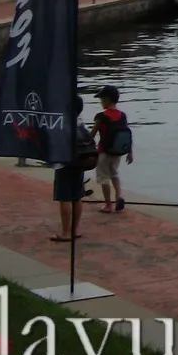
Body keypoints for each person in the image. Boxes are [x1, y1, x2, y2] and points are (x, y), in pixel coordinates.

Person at [53, 97, 97, 243]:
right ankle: (75, 230)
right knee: (77, 197)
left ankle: (66, 232)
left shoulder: (63, 124)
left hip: (64, 165)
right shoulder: (80, 124)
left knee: (64, 198)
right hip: (80, 164)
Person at [91, 85, 134, 214]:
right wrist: (130, 152)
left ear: (107, 100)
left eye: (102, 100)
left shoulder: (101, 116)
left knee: (103, 177)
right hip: (117, 152)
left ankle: (108, 205)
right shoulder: (122, 116)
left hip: (104, 152)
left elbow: (92, 134)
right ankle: (119, 196)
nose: (101, 102)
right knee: (114, 174)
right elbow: (128, 134)